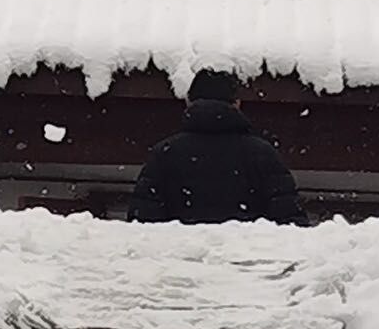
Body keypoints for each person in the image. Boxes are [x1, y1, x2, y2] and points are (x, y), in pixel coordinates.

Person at [128, 74, 304, 225]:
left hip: (179, 261)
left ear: (188, 102)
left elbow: (142, 225)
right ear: (237, 104)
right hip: (245, 260)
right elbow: (290, 225)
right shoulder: (263, 154)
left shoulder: (165, 154)